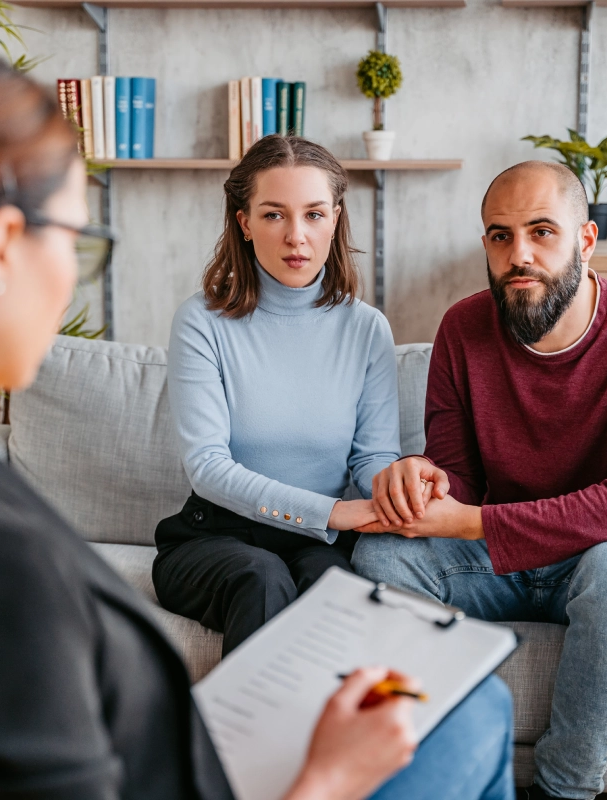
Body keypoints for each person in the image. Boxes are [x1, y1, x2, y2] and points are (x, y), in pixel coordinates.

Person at [0, 52, 513, 800]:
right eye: (77, 240)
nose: (72, 272)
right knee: (480, 711)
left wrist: (386, 483)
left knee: (468, 705)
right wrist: (324, 781)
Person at [351, 160, 607, 800]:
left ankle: (563, 791)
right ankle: (436, 773)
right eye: (500, 235)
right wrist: (420, 479)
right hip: (510, 564)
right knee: (381, 553)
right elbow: (456, 478)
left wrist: (470, 520)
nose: (520, 255)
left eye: (542, 232)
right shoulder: (463, 328)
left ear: (586, 240)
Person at [153, 135, 403, 657]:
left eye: (314, 215)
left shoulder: (367, 329)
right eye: (273, 215)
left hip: (319, 546)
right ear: (244, 222)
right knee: (262, 578)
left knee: (340, 595)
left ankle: (334, 741)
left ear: (335, 218)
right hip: (213, 539)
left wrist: (396, 489)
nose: (297, 237)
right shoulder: (201, 322)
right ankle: (238, 740)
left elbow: (373, 457)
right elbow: (207, 467)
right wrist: (333, 513)